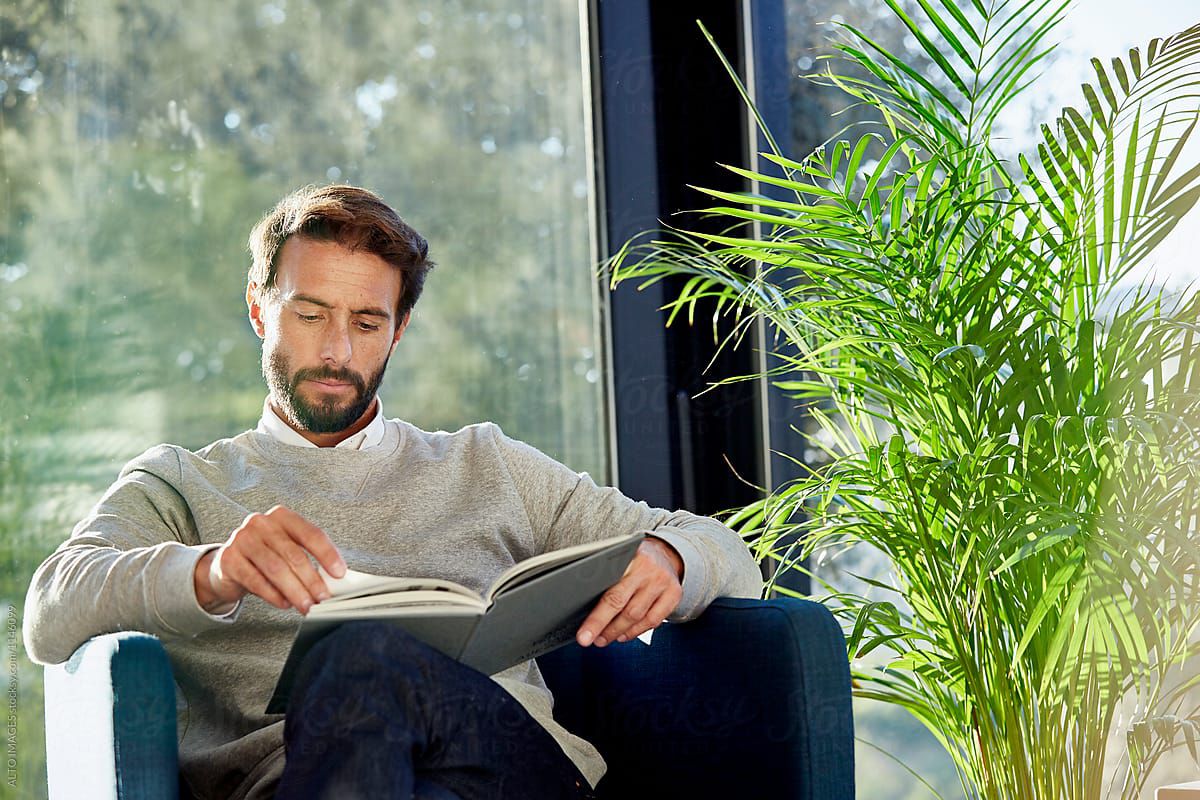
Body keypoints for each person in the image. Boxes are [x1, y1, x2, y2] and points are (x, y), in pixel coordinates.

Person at [22, 184, 765, 800]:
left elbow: (730, 551)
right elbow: (49, 609)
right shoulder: (185, 484)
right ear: (259, 307)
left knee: (370, 655)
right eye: (309, 314)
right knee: (365, 667)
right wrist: (210, 571)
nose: (338, 351)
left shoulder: (487, 464)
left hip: (511, 776)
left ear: (400, 329)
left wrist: (670, 559)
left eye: (367, 322)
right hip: (301, 784)